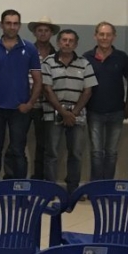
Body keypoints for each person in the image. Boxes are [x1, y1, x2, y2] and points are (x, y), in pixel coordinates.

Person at [0, 9, 41, 183]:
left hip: (20, 109)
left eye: (15, 23)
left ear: (19, 26)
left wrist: (30, 104)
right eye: (8, 23)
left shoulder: (29, 48)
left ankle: (20, 189)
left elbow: (38, 80)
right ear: (1, 25)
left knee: (18, 150)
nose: (12, 27)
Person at [41, 30, 97, 195]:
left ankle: (73, 188)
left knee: (76, 153)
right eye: (64, 40)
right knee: (51, 153)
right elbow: (47, 89)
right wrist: (63, 112)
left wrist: (73, 113)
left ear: (76, 44)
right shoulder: (48, 62)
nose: (67, 43)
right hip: (53, 112)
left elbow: (88, 91)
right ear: (58, 42)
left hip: (77, 113)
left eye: (71, 40)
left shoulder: (84, 63)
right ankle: (50, 189)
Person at [83, 21, 128, 181]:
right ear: (95, 36)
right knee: (96, 152)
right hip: (94, 111)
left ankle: (108, 185)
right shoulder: (86, 58)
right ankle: (96, 186)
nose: (105, 37)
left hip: (117, 112)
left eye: (108, 34)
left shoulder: (122, 57)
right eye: (101, 34)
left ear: (114, 37)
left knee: (111, 152)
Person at [25, 16, 58, 180]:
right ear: (34, 32)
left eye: (46, 31)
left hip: (47, 106)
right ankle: (16, 176)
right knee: (17, 142)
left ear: (51, 33)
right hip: (26, 103)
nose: (43, 33)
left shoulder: (57, 55)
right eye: (40, 30)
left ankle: (39, 177)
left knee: (44, 145)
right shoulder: (26, 52)